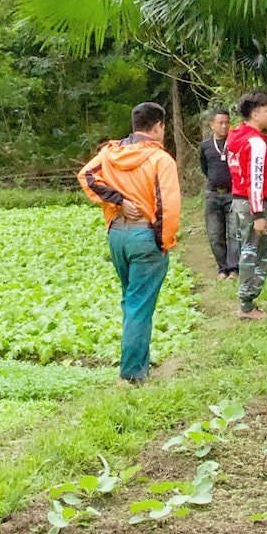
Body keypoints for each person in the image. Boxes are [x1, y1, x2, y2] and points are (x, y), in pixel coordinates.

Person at [78, 101, 183, 384]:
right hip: (144, 238)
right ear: (159, 127)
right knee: (138, 305)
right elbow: (168, 207)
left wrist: (117, 202)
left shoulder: (110, 153)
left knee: (131, 301)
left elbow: (86, 176)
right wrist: (164, 242)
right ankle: (132, 375)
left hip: (117, 236)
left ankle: (137, 363)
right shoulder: (162, 160)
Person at [227, 89, 267, 320]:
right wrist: (259, 213)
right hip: (253, 206)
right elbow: (254, 180)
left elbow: (243, 176)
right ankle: (246, 305)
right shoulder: (256, 143)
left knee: (248, 250)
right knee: (255, 254)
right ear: (254, 114)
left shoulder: (237, 138)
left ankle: (247, 302)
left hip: (241, 203)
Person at [200, 109, 239, 279]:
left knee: (233, 232)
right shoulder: (206, 145)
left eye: (227, 122)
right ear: (212, 125)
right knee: (215, 234)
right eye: (220, 123)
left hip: (233, 194)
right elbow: (204, 168)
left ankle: (234, 268)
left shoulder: (235, 142)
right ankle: (222, 268)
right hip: (213, 194)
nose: (224, 126)